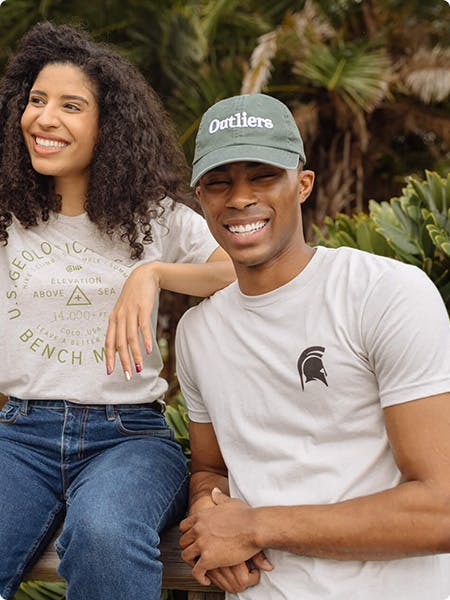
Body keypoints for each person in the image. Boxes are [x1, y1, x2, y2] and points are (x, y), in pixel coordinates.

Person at [176, 93, 450, 599]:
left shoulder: (384, 293)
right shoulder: (198, 333)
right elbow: (210, 468)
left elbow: (441, 510)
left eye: (262, 176)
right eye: (219, 182)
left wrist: (255, 527)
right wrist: (207, 514)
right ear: (201, 199)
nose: (239, 198)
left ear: (303, 184)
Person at [0, 21, 235, 600]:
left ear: (109, 127)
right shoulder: (7, 217)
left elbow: (236, 268)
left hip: (128, 435)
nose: (44, 118)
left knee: (103, 531)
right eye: (36, 100)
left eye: (71, 106)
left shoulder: (156, 217)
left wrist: (152, 272)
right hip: (18, 435)